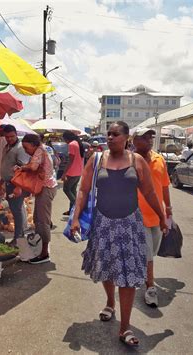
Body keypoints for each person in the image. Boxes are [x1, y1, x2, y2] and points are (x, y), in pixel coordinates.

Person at [70, 121, 167, 348]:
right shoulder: (96, 160)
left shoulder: (137, 161)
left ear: (126, 138)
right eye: (109, 134)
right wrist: (75, 217)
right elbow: (83, 189)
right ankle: (110, 302)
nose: (110, 137)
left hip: (130, 224)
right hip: (103, 223)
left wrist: (162, 217)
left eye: (115, 134)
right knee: (107, 267)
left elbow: (150, 191)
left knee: (128, 273)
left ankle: (125, 327)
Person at [132, 127, 172, 308]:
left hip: (157, 216)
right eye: (144, 137)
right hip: (135, 215)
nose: (149, 140)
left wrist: (168, 209)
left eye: (150, 137)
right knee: (148, 253)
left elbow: (164, 187)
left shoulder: (159, 159)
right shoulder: (128, 161)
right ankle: (150, 288)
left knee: (151, 252)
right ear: (134, 141)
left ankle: (141, 274)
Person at [19, 134, 58, 264]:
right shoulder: (43, 149)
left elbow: (33, 167)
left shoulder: (39, 151)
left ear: (34, 145)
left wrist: (21, 167)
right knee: (37, 219)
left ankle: (44, 253)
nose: (25, 151)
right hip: (46, 187)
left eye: (26, 147)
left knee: (42, 221)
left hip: (46, 188)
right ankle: (40, 247)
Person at [0, 125, 30, 245]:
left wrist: (19, 186)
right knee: (14, 210)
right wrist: (1, 183)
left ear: (16, 134)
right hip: (8, 183)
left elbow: (23, 169)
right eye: (7, 137)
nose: (9, 139)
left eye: (12, 136)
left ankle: (18, 238)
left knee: (17, 211)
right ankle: (19, 236)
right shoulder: (6, 147)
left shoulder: (20, 148)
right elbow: (5, 166)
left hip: (16, 184)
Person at [61, 131, 84, 215]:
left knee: (66, 189)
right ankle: (72, 210)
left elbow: (70, 160)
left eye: (64, 139)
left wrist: (64, 174)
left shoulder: (71, 144)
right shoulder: (77, 143)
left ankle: (78, 208)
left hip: (72, 172)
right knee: (73, 191)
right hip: (78, 171)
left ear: (67, 138)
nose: (64, 141)